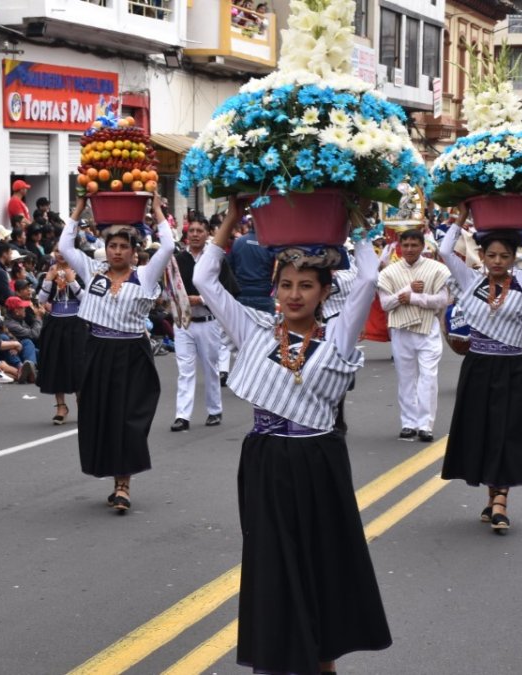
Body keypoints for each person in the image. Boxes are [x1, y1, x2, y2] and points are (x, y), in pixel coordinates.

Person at [194, 198, 390, 674]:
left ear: (325, 291)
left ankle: (323, 658)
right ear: (274, 289)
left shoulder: (338, 336)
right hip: (266, 459)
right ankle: (280, 655)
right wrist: (233, 215)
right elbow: (203, 281)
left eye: (306, 285)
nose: (294, 294)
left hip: (317, 459)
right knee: (273, 561)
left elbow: (367, 278)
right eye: (286, 285)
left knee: (322, 560)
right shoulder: (256, 328)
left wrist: (353, 216)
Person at [440, 205, 522, 533]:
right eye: (491, 255)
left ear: (513, 258)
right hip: (478, 366)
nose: (497, 261)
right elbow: (444, 250)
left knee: (506, 431)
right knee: (482, 430)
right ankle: (493, 494)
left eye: (504, 256)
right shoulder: (469, 280)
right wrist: (462, 216)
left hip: (510, 368)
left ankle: (501, 500)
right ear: (482, 255)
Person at [58, 194, 174, 513]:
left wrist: (157, 210)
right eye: (113, 246)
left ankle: (123, 485)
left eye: (124, 246)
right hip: (96, 349)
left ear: (133, 251)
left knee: (127, 419)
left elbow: (167, 247)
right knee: (98, 416)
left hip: (131, 353)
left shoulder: (144, 276)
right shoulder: (93, 270)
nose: (117, 251)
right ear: (105, 248)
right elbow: (66, 248)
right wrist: (80, 209)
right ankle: (112, 476)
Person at [376, 228, 451, 442]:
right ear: (399, 246)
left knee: (428, 377)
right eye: (405, 245)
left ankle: (425, 424)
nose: (409, 249)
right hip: (401, 329)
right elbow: (385, 304)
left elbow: (442, 300)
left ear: (422, 246)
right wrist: (406, 292)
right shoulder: (388, 273)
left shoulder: (436, 269)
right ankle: (408, 423)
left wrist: (416, 298)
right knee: (406, 378)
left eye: (414, 245)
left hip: (428, 328)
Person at [171, 217, 238, 432]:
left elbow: (228, 291)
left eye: (200, 230)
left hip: (209, 322)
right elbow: (170, 288)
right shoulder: (178, 260)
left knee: (211, 369)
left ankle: (214, 410)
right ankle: (182, 415)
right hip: (184, 323)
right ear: (186, 234)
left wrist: (200, 299)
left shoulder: (215, 260)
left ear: (208, 233)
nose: (195, 234)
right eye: (192, 230)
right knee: (185, 369)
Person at [36, 251, 86, 424]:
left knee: (78, 364)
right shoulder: (48, 273)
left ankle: (82, 402)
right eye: (58, 251)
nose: (61, 254)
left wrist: (72, 282)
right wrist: (48, 280)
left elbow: (86, 299)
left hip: (76, 324)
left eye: (65, 250)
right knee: (57, 364)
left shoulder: (80, 272)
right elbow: (41, 299)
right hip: (55, 324)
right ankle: (61, 406)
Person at [227, 215, 276, 313]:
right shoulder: (270, 245)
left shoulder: (238, 242)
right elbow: (275, 271)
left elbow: (229, 268)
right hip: (263, 297)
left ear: (251, 224)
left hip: (242, 296)